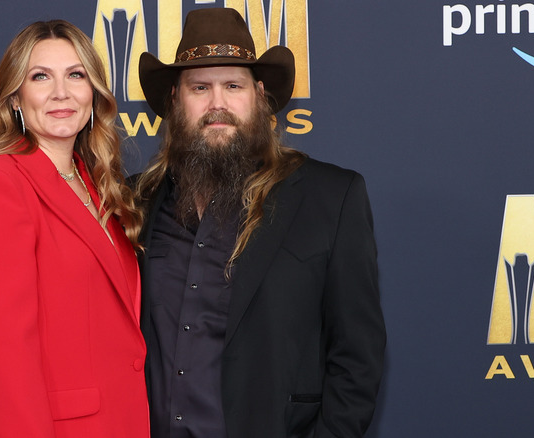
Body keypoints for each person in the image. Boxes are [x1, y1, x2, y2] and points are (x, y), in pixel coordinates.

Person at [135, 8, 386, 438]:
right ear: (175, 100)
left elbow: (357, 359)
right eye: (200, 87)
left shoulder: (330, 198)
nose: (218, 104)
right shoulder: (133, 202)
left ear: (259, 95)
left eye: (233, 85)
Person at [0, 20, 149, 438]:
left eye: (76, 75)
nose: (62, 92)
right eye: (41, 77)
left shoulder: (98, 187)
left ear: (93, 94)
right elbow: (3, 360)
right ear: (15, 98)